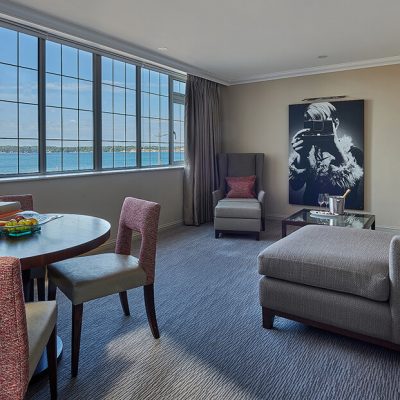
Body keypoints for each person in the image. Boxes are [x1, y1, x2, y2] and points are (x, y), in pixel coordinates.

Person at [289, 102, 363, 209]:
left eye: (321, 123)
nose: (317, 128)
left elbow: (351, 189)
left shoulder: (354, 153)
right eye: (311, 123)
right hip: (310, 211)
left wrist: (337, 152)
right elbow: (295, 186)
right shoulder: (308, 153)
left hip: (342, 212)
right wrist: (302, 155)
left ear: (335, 123)